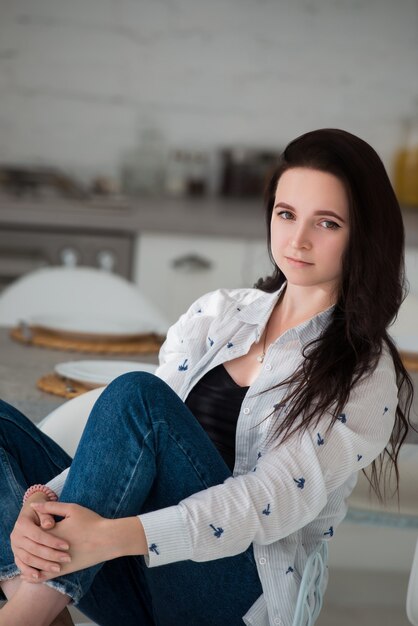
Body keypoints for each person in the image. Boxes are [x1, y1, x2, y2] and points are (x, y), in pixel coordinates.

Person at [0, 128, 414, 626]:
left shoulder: (363, 370)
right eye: (286, 215)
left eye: (326, 223)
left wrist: (110, 536)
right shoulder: (219, 313)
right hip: (134, 565)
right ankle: (35, 597)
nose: (297, 240)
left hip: (235, 591)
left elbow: (270, 503)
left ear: (363, 235)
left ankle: (27, 611)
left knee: (138, 396)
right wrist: (41, 503)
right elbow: (121, 460)